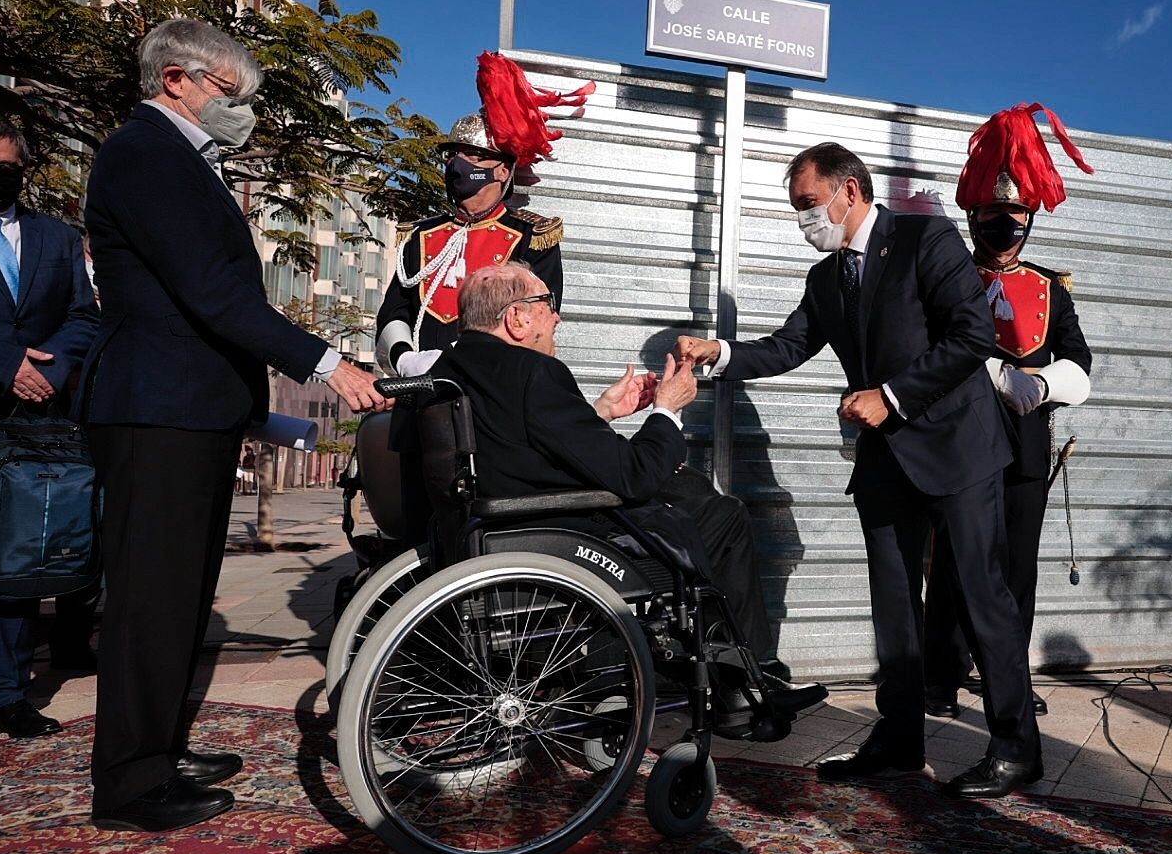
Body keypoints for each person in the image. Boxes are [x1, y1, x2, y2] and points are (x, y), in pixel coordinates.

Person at [79, 19, 387, 831]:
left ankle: (157, 745)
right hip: (157, 409)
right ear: (175, 79)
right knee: (151, 597)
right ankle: (131, 780)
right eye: (231, 94)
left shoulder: (186, 161)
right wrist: (328, 365)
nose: (242, 111)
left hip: (192, 410)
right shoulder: (143, 152)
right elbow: (214, 296)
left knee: (180, 593)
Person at [675, 143, 1042, 799]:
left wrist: (891, 396)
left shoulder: (924, 237)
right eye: (796, 210)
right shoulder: (826, 278)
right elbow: (790, 345)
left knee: (985, 599)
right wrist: (720, 352)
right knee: (894, 609)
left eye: (808, 205)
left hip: (960, 450)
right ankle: (899, 743)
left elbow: (972, 337)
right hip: (886, 464)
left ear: (848, 191)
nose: (803, 221)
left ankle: (1016, 749)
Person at [430, 264, 824, 729]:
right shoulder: (533, 372)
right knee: (722, 516)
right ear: (517, 319)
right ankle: (747, 688)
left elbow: (522, 444)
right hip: (553, 535)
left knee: (689, 490)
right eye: (548, 307)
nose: (556, 319)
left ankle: (734, 677)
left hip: (488, 525)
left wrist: (600, 412)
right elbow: (633, 476)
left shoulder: (449, 369)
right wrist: (667, 410)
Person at [923, 103, 1095, 720]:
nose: (1005, 226)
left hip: (1024, 445)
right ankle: (938, 679)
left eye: (1015, 217)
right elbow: (930, 351)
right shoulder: (945, 278)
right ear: (974, 217)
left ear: (1029, 220)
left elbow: (1080, 363)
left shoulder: (1051, 287)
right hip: (960, 442)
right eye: (994, 216)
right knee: (950, 565)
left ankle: (1009, 682)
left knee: (1017, 570)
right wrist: (995, 374)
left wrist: (1043, 385)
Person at [0, 105, 99, 754]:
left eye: (4, 169)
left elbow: (82, 314)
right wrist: (3, 364)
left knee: (16, 556)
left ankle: (2, 694)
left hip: (29, 424)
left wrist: (54, 367)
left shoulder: (53, 236)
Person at [376, 52, 592, 376]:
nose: (459, 163)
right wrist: (407, 360)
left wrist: (460, 362)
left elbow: (536, 324)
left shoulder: (532, 237)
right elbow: (394, 312)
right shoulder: (420, 235)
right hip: (417, 388)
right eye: (453, 155)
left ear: (503, 170)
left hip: (493, 392)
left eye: (474, 155)